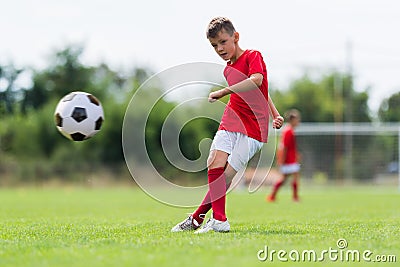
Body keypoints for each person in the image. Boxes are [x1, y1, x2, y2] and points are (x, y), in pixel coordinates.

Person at [171, 17, 284, 234]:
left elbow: (258, 82)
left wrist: (273, 113)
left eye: (223, 42)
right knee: (214, 161)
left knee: (226, 176)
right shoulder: (227, 70)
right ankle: (220, 220)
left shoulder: (253, 56)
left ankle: (196, 218)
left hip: (254, 129)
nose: (219, 48)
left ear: (236, 37)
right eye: (214, 45)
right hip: (231, 119)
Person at [267, 109, 301, 202]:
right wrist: (281, 160)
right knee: (292, 177)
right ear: (292, 120)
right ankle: (295, 197)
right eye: (297, 119)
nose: (298, 121)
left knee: (285, 178)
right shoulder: (288, 131)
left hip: (290, 158)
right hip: (288, 160)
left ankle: (272, 196)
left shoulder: (289, 130)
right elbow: (284, 147)